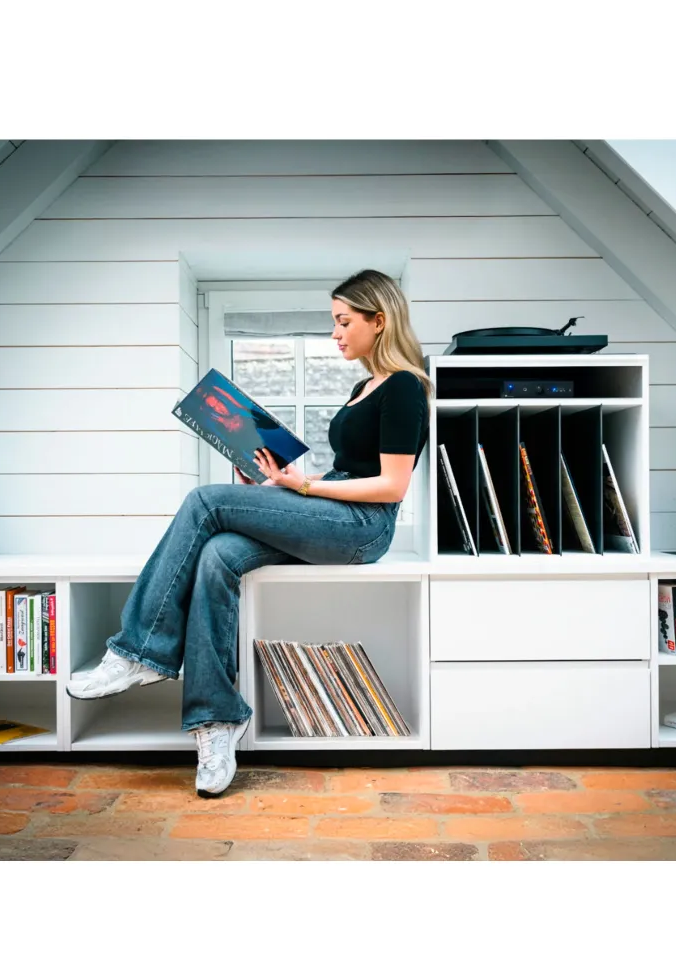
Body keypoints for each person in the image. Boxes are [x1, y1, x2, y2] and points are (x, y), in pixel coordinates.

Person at [66, 269, 433, 796]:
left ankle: (137, 652)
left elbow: (392, 486)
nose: (335, 333)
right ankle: (216, 722)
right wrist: (276, 483)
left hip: (363, 528)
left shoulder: (405, 387)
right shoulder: (364, 387)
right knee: (217, 553)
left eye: (343, 321)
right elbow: (345, 473)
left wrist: (301, 488)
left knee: (204, 500)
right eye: (334, 322)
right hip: (332, 509)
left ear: (379, 320)